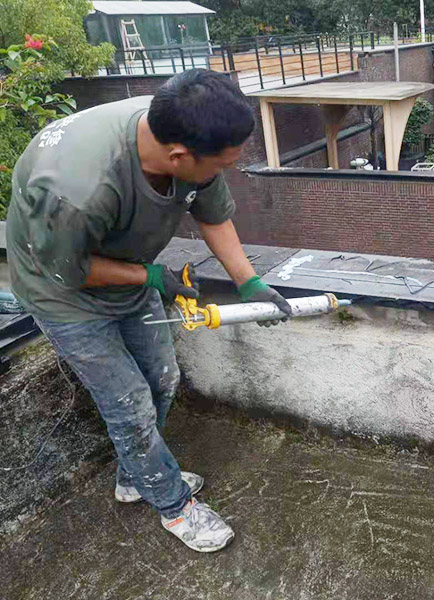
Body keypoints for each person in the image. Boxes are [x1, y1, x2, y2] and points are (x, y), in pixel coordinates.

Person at [6, 69, 292, 553]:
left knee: (162, 379)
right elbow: (70, 270)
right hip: (62, 292)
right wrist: (150, 277)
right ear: (178, 157)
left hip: (127, 272)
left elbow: (212, 214)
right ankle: (174, 505)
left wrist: (250, 283)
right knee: (130, 403)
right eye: (220, 164)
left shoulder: (190, 135)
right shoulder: (77, 188)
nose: (226, 170)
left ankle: (136, 476)